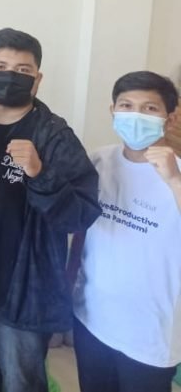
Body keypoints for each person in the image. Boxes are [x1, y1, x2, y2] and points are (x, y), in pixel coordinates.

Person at [0, 28, 99, 392]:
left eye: (23, 70)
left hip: (23, 292)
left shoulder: (53, 135)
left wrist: (39, 174)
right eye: (0, 66)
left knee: (21, 382)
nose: (10, 76)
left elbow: (81, 215)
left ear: (37, 79)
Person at [70, 71, 181, 392]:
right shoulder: (97, 161)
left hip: (151, 336)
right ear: (113, 111)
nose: (135, 116)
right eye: (127, 105)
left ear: (170, 118)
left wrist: (173, 180)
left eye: (149, 108)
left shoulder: (177, 173)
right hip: (91, 318)